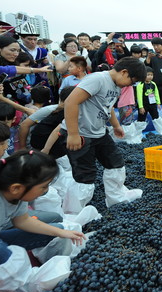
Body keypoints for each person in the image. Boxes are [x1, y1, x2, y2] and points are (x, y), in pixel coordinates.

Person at [0, 150, 84, 292]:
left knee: (54, 230)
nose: (45, 191)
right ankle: (19, 282)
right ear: (16, 187)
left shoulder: (18, 197)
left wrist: (61, 232)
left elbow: (23, 221)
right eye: (43, 187)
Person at [58, 57, 147, 209]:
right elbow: (71, 102)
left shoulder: (116, 85)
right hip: (81, 134)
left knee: (115, 163)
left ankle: (116, 199)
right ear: (124, 72)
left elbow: (108, 106)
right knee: (85, 175)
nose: (131, 85)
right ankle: (73, 213)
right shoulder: (98, 79)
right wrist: (73, 134)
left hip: (99, 132)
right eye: (132, 81)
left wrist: (116, 125)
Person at [136, 67, 162, 136]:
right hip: (144, 105)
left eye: (151, 75)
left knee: (156, 117)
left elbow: (156, 93)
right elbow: (139, 97)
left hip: (152, 104)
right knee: (141, 119)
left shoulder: (153, 84)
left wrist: (158, 103)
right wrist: (141, 107)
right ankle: (137, 134)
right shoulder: (140, 85)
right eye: (148, 75)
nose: (150, 77)